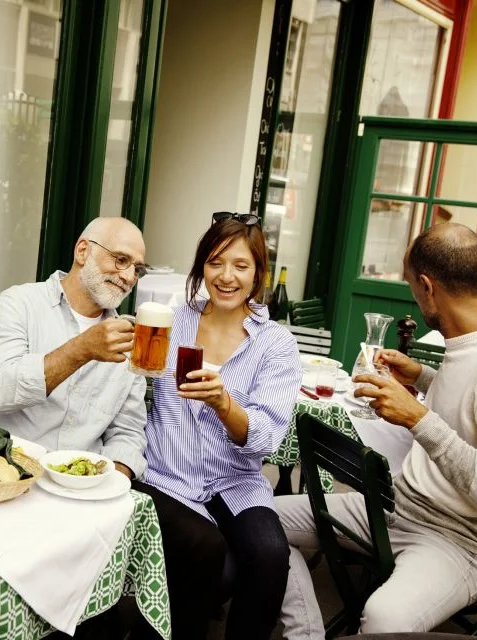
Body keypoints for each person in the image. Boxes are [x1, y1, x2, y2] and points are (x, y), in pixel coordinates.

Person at [278, 223, 477, 638]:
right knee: (260, 518)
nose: (414, 299)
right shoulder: (473, 339)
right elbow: (473, 405)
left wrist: (417, 418)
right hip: (398, 508)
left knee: (384, 619)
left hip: (460, 541)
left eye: (411, 288)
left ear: (427, 286)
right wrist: (422, 376)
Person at [135, 212, 301, 639]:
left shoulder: (275, 344)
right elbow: (138, 386)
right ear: (201, 268)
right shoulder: (172, 322)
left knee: (270, 555)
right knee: (212, 567)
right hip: (167, 476)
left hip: (234, 480)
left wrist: (225, 404)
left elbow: (266, 437)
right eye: (215, 263)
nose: (227, 277)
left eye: (241, 265)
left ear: (258, 273)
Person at [0, 216, 147, 478]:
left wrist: (111, 481)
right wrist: (81, 349)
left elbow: (128, 432)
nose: (128, 276)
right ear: (83, 251)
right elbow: (0, 392)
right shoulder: (18, 304)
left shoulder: (129, 339)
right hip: (6, 476)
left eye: (137, 269)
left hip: (83, 488)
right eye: (120, 259)